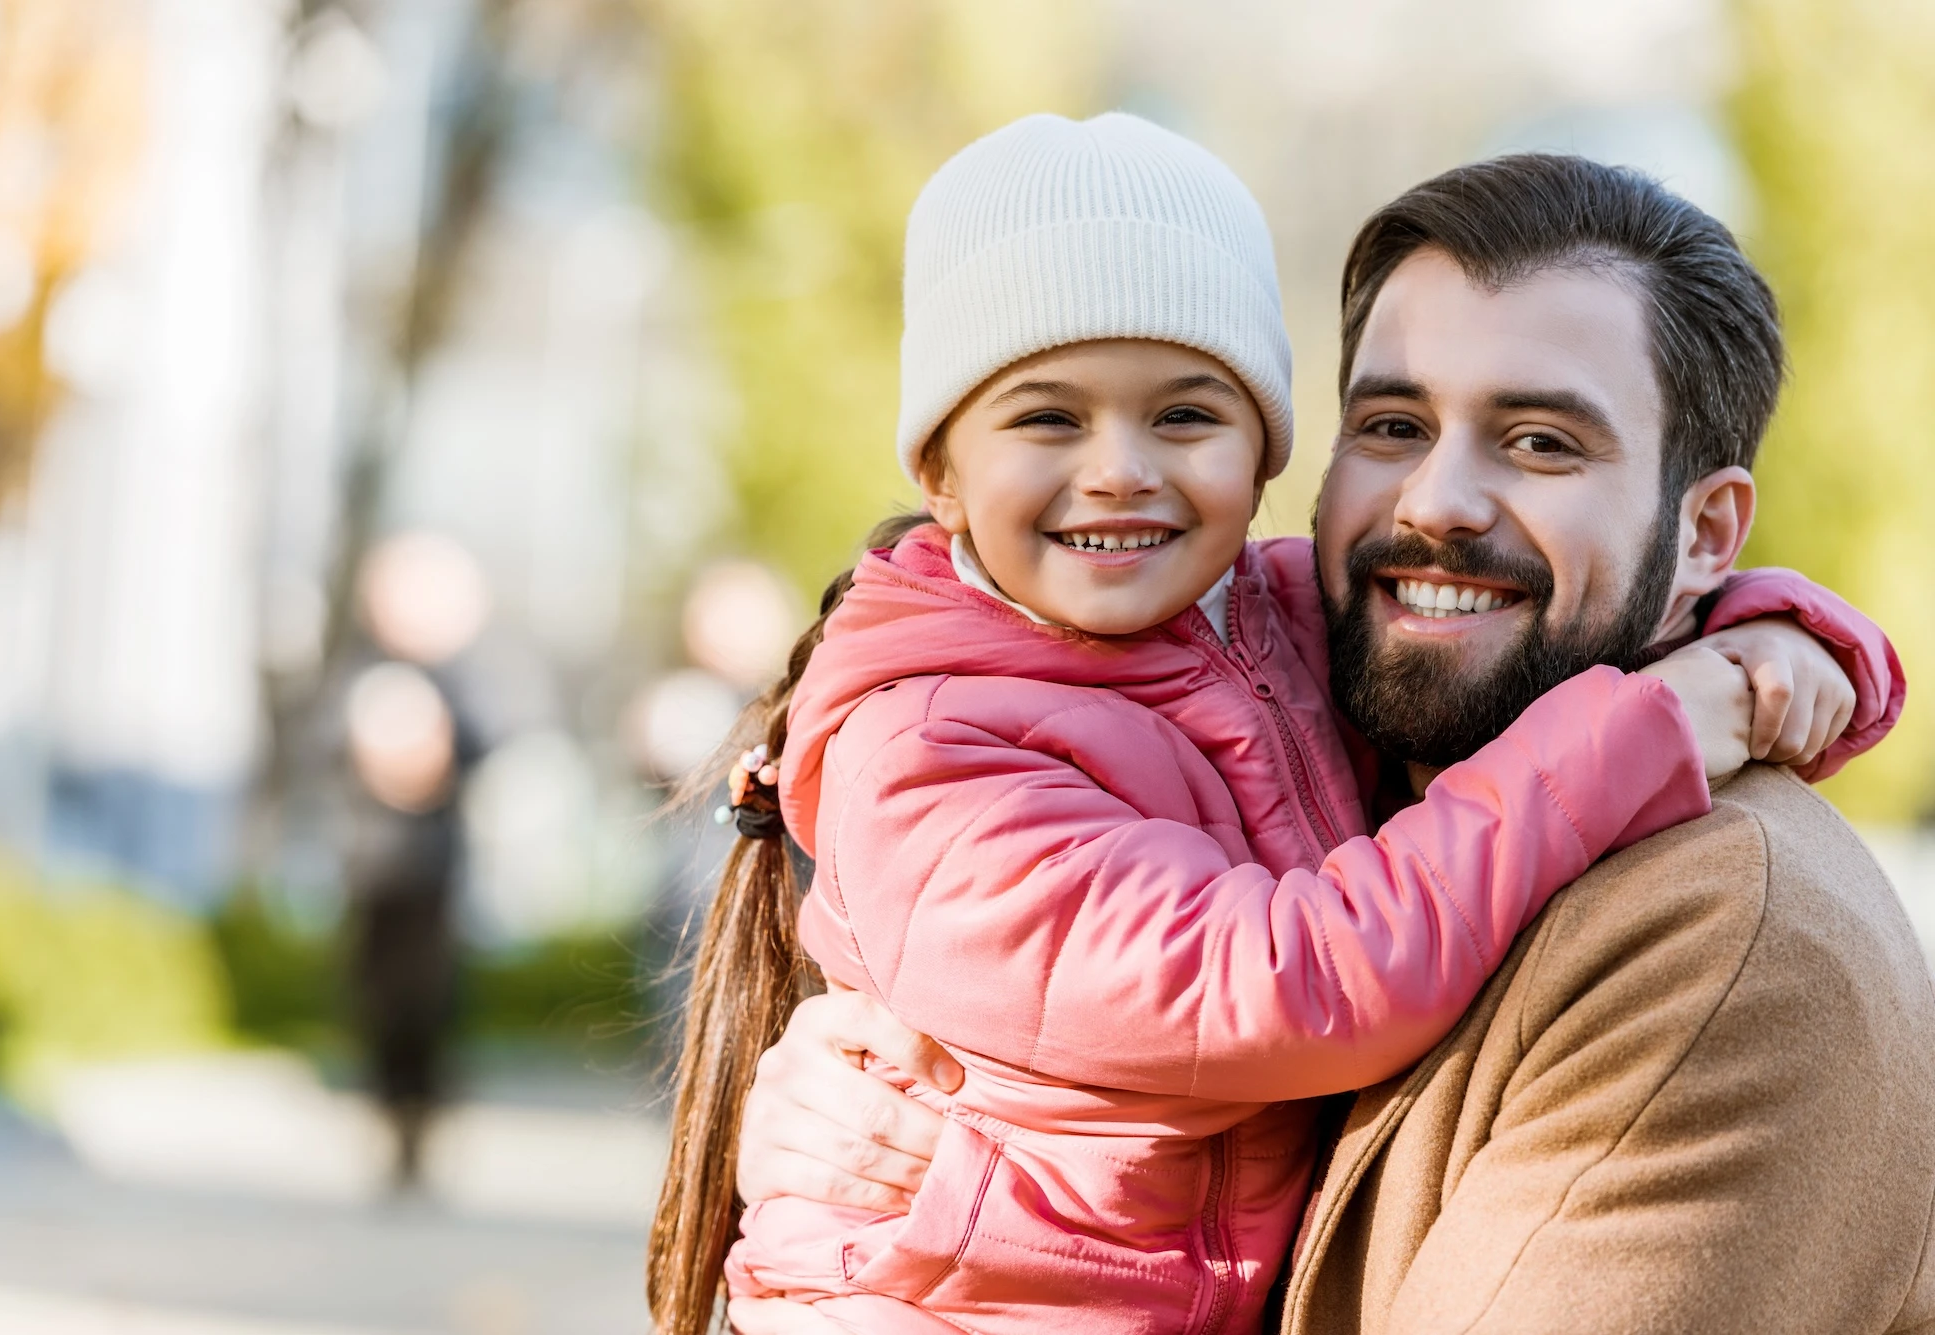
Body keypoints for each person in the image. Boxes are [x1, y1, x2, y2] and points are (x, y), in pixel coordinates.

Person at [651, 119, 1896, 1335]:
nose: (1436, 506)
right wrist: (1667, 714)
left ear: (1255, 458)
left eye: (1538, 442)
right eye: (1394, 428)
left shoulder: (1718, 933)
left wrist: (1785, 641)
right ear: (938, 470)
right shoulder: (935, 750)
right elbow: (1288, 978)